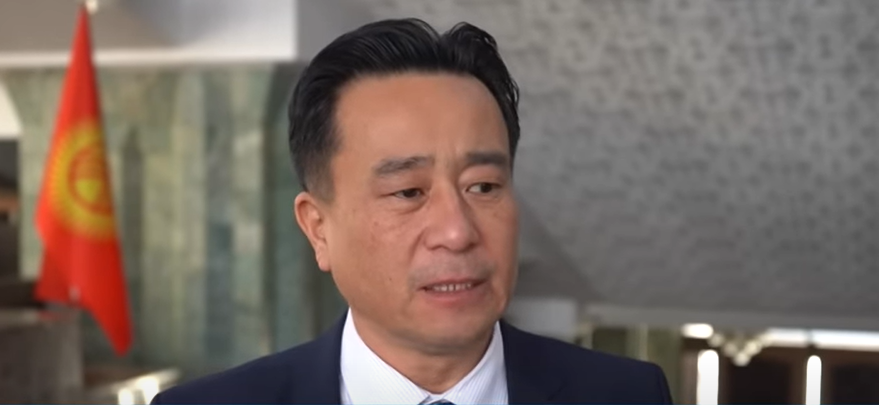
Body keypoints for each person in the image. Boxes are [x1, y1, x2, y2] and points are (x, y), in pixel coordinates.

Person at [152, 18, 673, 405]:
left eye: (483, 186)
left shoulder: (627, 394)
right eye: (408, 192)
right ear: (318, 229)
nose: (456, 231)